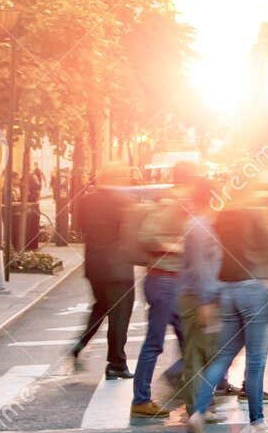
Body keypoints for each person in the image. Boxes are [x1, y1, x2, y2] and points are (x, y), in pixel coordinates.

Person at [186, 193, 268, 433]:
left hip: (228, 290)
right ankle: (257, 423)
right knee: (255, 362)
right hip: (254, 287)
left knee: (224, 356)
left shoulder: (220, 217)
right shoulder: (256, 213)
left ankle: (198, 412)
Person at [130, 163, 193, 418]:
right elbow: (146, 237)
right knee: (155, 342)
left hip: (173, 281)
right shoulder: (169, 205)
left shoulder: (180, 203)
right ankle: (141, 400)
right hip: (163, 280)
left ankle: (189, 387)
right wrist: (177, 247)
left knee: (187, 338)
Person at [69, 164, 136, 380]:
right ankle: (117, 363)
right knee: (119, 317)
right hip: (118, 268)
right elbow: (131, 233)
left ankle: (81, 343)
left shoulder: (85, 201)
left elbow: (78, 228)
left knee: (100, 307)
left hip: (94, 266)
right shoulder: (123, 203)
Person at [166, 177, 221, 413]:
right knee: (199, 352)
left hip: (199, 294)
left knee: (205, 350)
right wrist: (206, 300)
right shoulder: (199, 226)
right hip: (198, 296)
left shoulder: (201, 223)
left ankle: (201, 403)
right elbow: (200, 266)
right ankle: (197, 407)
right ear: (212, 197)